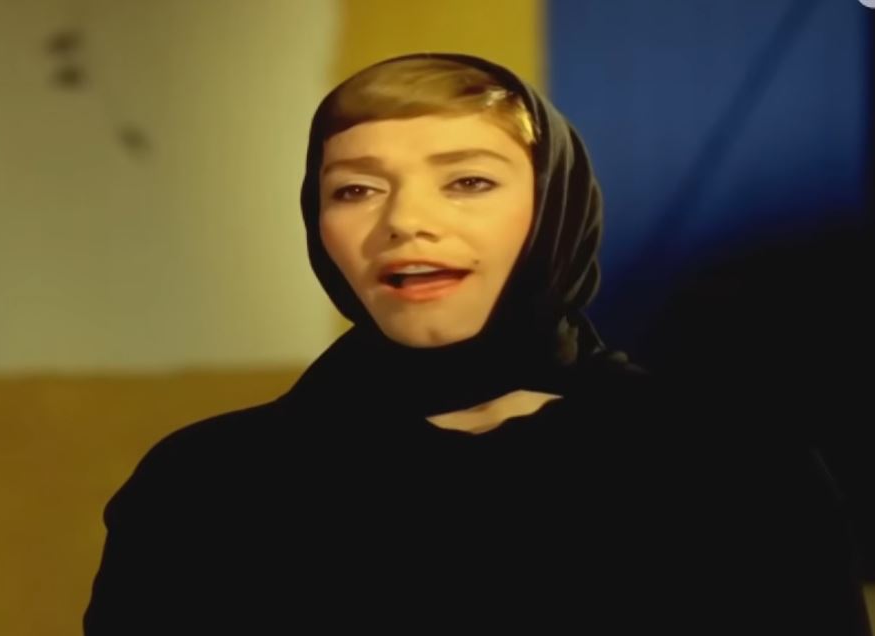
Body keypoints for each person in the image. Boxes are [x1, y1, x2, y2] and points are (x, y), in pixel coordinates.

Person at [83, 53, 871, 634]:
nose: (404, 222)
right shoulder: (206, 489)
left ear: (555, 208)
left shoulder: (734, 466)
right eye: (355, 189)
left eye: (467, 181)